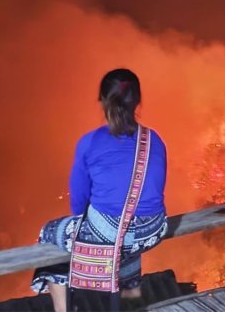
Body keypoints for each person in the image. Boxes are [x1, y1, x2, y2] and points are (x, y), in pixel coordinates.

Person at [32, 68, 168, 312]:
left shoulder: (90, 142)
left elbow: (79, 203)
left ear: (104, 102)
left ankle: (63, 311)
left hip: (113, 231)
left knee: (50, 235)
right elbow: (156, 189)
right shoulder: (154, 138)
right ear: (137, 100)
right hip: (154, 229)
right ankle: (132, 295)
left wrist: (90, 231)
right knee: (125, 234)